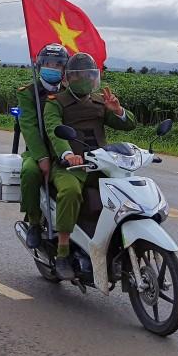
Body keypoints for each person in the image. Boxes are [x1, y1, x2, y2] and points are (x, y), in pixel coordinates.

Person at [41, 52, 137, 276]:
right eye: (79, 75)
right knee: (70, 192)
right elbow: (54, 131)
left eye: (89, 74)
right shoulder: (56, 103)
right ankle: (63, 252)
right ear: (68, 79)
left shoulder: (100, 101)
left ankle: (115, 243)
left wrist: (118, 111)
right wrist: (67, 154)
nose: (85, 79)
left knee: (124, 194)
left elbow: (128, 125)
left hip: (101, 163)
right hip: (70, 165)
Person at [17, 44, 70, 247]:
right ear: (39, 66)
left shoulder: (68, 91)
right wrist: (42, 157)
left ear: (65, 69)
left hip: (66, 149)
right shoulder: (28, 92)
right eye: (48, 63)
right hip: (38, 149)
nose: (53, 68)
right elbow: (28, 127)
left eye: (58, 64)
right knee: (30, 172)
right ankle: (34, 222)